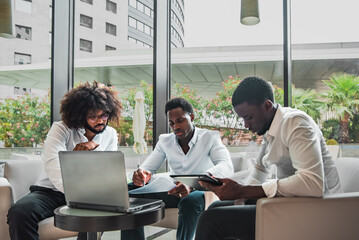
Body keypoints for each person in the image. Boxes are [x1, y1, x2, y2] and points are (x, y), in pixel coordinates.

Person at [195, 76, 342, 240]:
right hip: (292, 204)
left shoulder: (296, 123)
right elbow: (260, 168)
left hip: (317, 211)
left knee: (211, 221)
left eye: (248, 117)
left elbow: (313, 183)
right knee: (215, 207)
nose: (246, 125)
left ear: (267, 106)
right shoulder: (271, 127)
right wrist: (239, 195)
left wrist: (244, 190)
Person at [7, 81, 122, 240]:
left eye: (104, 115)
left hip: (89, 192)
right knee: (20, 212)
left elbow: (107, 170)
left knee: (96, 216)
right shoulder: (61, 129)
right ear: (81, 115)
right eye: (93, 117)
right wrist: (77, 194)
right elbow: (54, 165)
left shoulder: (110, 134)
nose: (100, 120)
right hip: (51, 191)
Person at [121, 97, 234, 240]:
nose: (176, 127)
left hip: (201, 192)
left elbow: (226, 165)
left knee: (189, 201)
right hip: (173, 191)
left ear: (191, 117)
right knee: (128, 192)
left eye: (180, 120)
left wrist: (193, 183)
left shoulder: (209, 137)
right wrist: (141, 174)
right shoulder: (165, 141)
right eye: (172, 123)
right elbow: (147, 168)